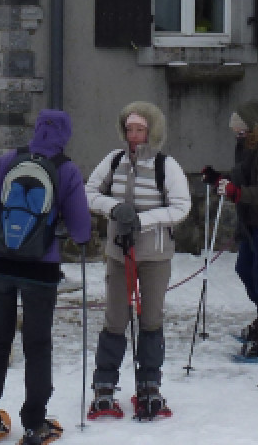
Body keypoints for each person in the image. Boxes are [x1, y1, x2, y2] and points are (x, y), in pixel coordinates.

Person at [0, 110, 92, 445]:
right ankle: (34, 426)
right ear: (66, 135)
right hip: (40, 269)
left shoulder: (5, 162)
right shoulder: (67, 171)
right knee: (37, 345)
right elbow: (80, 230)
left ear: (35, 129)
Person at [84, 102, 190, 419]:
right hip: (119, 255)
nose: (134, 135)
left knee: (151, 318)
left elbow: (181, 207)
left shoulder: (166, 166)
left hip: (154, 255)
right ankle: (104, 386)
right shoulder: (113, 161)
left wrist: (143, 220)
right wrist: (114, 209)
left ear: (152, 131)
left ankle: (149, 385)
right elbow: (88, 192)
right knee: (116, 318)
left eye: (140, 129)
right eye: (129, 129)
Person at [206, 99, 258, 356]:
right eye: (236, 133)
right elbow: (242, 177)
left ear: (255, 127)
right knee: (245, 269)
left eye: (242, 131)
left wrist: (237, 193)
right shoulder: (246, 148)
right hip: (251, 220)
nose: (239, 136)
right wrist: (219, 179)